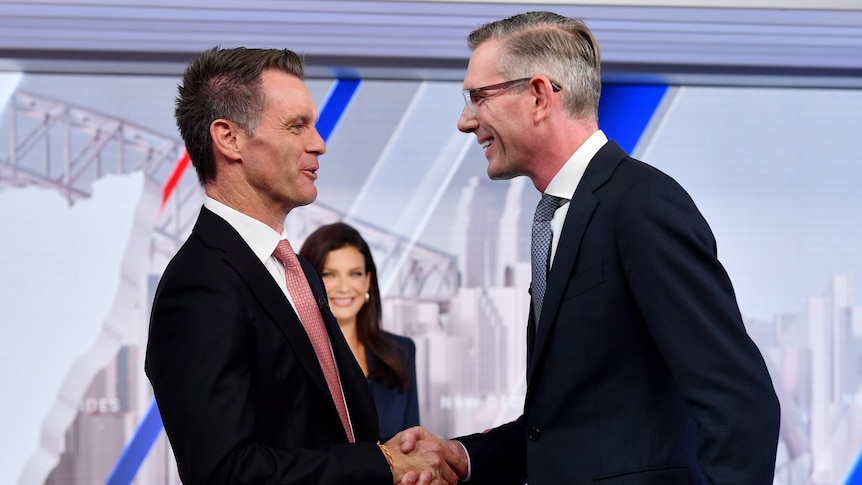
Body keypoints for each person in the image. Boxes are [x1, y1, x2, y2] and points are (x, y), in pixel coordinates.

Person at [403, 11, 781, 484]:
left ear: (538, 95)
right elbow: (566, 430)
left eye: (478, 97)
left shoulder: (641, 205)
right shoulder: (560, 216)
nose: (465, 120)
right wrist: (463, 456)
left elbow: (740, 402)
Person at [144, 46, 457, 485]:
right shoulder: (199, 285)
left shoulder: (300, 272)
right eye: (297, 126)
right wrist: (383, 465)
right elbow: (226, 473)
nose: (319, 144)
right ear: (228, 138)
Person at [299, 222, 420, 441]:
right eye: (329, 274)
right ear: (308, 281)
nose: (344, 287)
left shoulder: (402, 352)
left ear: (367, 281)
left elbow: (412, 443)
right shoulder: (295, 357)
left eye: (355, 274)